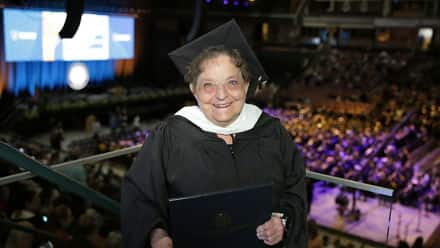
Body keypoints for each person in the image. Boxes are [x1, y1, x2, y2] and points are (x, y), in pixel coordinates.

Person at [121, 20, 307, 248]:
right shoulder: (169, 136)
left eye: (232, 82)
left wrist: (282, 220)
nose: (221, 95)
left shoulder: (272, 131)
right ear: (193, 89)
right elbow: (140, 196)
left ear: (246, 85)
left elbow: (295, 188)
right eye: (208, 85)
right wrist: (157, 235)